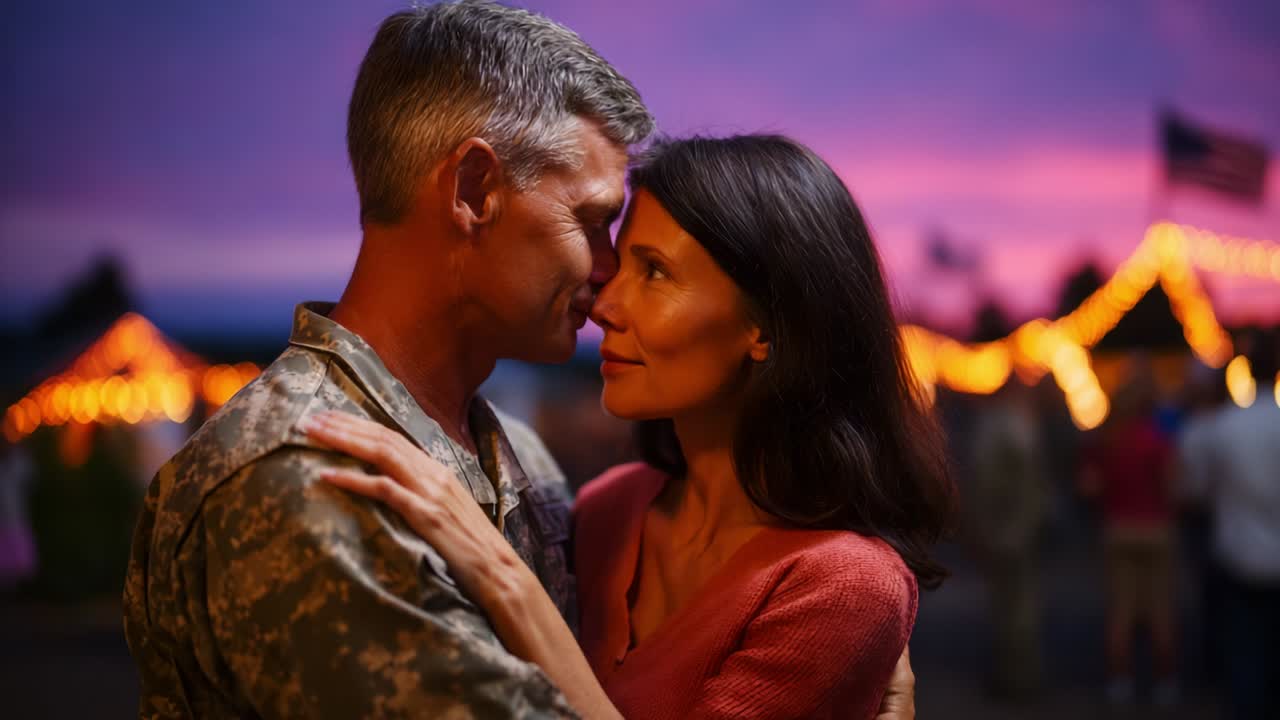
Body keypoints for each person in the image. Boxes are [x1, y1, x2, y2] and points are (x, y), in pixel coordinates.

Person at [122, 3, 918, 718]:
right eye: (594, 223)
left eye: (647, 265)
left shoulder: (521, 460)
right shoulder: (313, 482)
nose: (605, 277)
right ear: (473, 190)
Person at [303, 134, 955, 719]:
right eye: (619, 268)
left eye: (655, 272)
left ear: (765, 325)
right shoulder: (611, 511)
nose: (605, 304)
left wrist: (504, 577)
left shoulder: (845, 585)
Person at [1181, 337, 1280, 720]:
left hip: (1236, 553)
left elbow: (1195, 491)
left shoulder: (1222, 428)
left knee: (1244, 655)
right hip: (1263, 554)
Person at [1078, 368, 1178, 707]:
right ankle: (1165, 683)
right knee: (1159, 609)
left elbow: (1089, 486)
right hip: (1156, 529)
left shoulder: (1109, 441)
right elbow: (1172, 485)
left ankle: (1120, 682)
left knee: (1121, 611)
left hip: (1118, 529)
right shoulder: (1158, 440)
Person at [966, 380, 1047, 701]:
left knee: (1011, 608)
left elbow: (987, 481)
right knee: (1016, 607)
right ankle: (1018, 679)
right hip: (1016, 527)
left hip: (1006, 528)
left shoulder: (999, 426)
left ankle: (1014, 680)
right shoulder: (1017, 424)